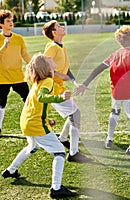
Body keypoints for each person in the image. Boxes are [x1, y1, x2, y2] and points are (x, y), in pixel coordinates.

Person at [1, 53, 78, 199]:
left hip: (27, 122)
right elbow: (42, 98)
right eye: (48, 59)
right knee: (60, 152)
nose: (51, 59)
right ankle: (56, 188)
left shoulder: (41, 82)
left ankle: (11, 170)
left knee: (32, 147)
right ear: (46, 66)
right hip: (35, 125)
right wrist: (60, 98)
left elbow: (35, 106)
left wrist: (48, 120)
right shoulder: (48, 81)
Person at [74, 25, 130, 157]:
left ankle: (109, 139)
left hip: (116, 93)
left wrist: (85, 83)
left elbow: (98, 69)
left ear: (119, 40)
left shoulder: (114, 55)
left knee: (115, 113)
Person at [42, 20, 91, 163]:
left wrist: (76, 82)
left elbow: (66, 69)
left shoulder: (62, 47)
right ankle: (74, 153)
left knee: (73, 113)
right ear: (54, 32)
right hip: (52, 89)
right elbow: (44, 67)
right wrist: (59, 75)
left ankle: (63, 138)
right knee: (75, 114)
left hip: (60, 88)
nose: (62, 27)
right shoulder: (52, 47)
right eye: (58, 26)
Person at [0, 10, 31, 134]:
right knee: (1, 104)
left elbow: (25, 56)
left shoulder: (19, 39)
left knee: (28, 99)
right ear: (1, 24)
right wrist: (4, 47)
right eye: (8, 21)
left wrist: (35, 66)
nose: (11, 23)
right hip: (2, 78)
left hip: (18, 76)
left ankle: (32, 123)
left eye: (11, 20)